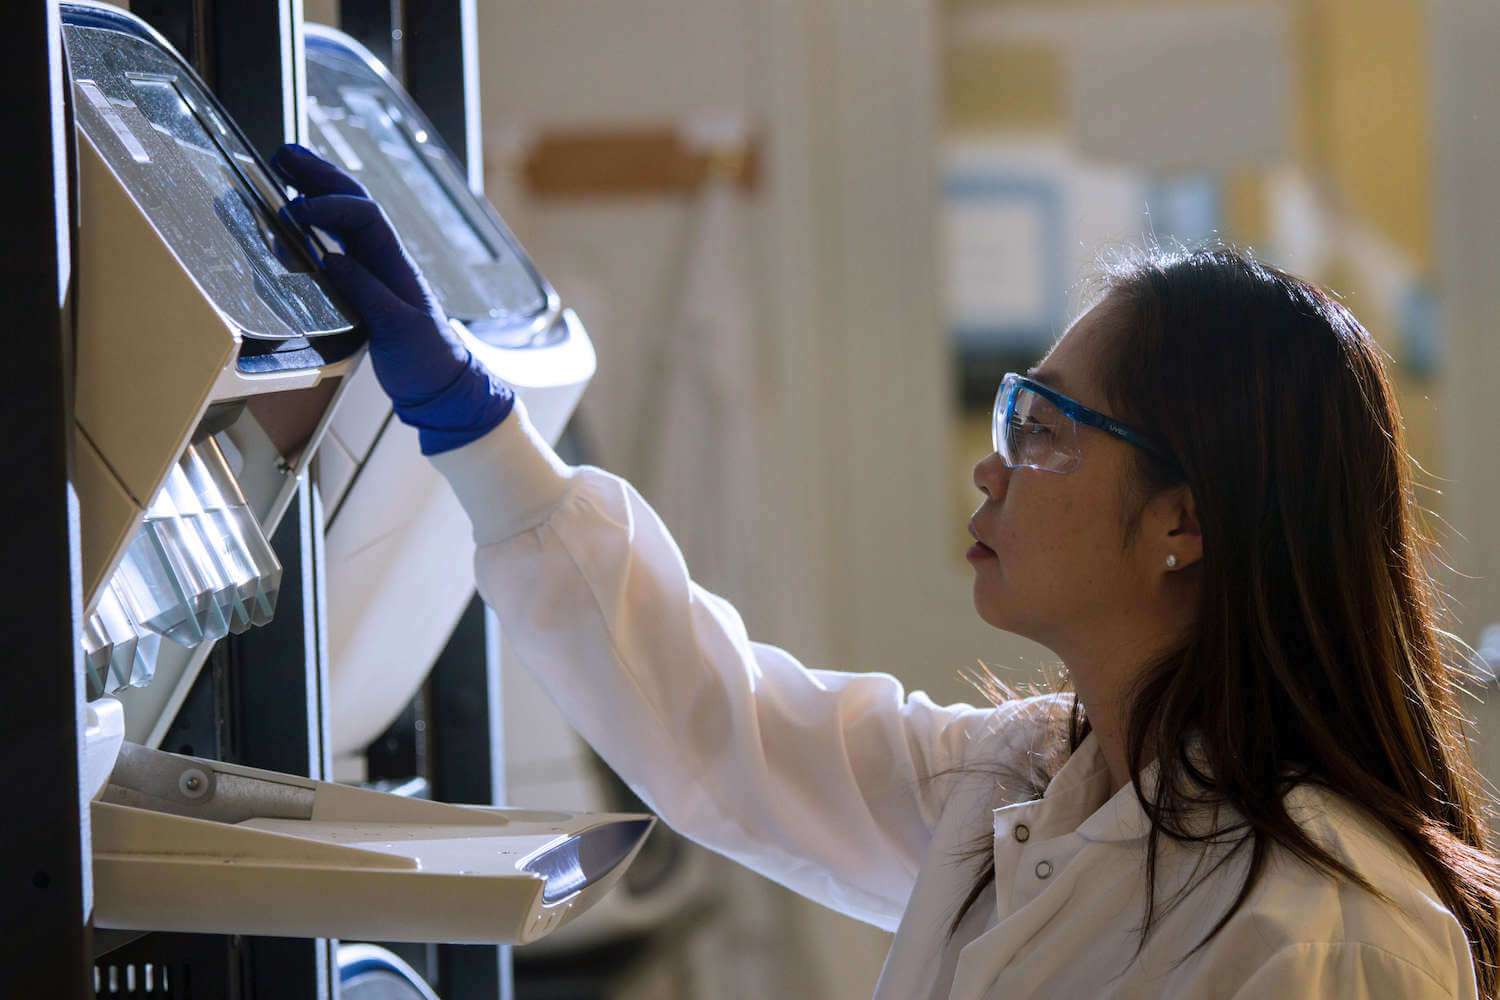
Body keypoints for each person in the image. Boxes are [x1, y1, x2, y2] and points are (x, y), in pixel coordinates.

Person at [271, 142, 1499, 998]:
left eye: (1047, 429)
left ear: (1182, 520)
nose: (994, 467)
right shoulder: (1029, 781)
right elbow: (728, 729)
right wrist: (476, 430)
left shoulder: (1338, 933)